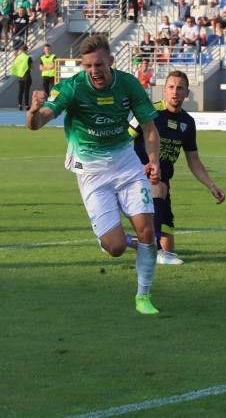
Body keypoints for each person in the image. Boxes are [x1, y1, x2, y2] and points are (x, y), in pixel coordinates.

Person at [26, 34, 162, 314]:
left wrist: (153, 160)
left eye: (98, 64)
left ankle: (143, 296)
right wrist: (34, 111)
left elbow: (149, 128)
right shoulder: (72, 88)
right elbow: (39, 122)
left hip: (125, 163)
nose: (93, 71)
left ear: (110, 62)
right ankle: (114, 238)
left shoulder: (128, 84)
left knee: (147, 230)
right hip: (90, 171)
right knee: (115, 248)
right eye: (87, 66)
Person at [127, 70, 226, 264]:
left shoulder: (187, 123)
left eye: (180, 88)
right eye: (171, 87)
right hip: (137, 175)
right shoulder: (147, 111)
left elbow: (194, 160)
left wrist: (211, 185)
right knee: (158, 188)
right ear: (164, 90)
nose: (175, 91)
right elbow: (121, 139)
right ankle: (154, 251)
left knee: (169, 246)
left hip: (163, 180)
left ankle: (123, 240)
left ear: (187, 92)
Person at [12, 44, 32, 110]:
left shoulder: (18, 57)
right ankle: (26, 105)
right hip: (27, 76)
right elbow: (32, 66)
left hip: (20, 76)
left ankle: (20, 105)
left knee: (20, 91)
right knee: (26, 91)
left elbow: (15, 65)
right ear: (26, 50)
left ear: (21, 50)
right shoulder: (28, 57)